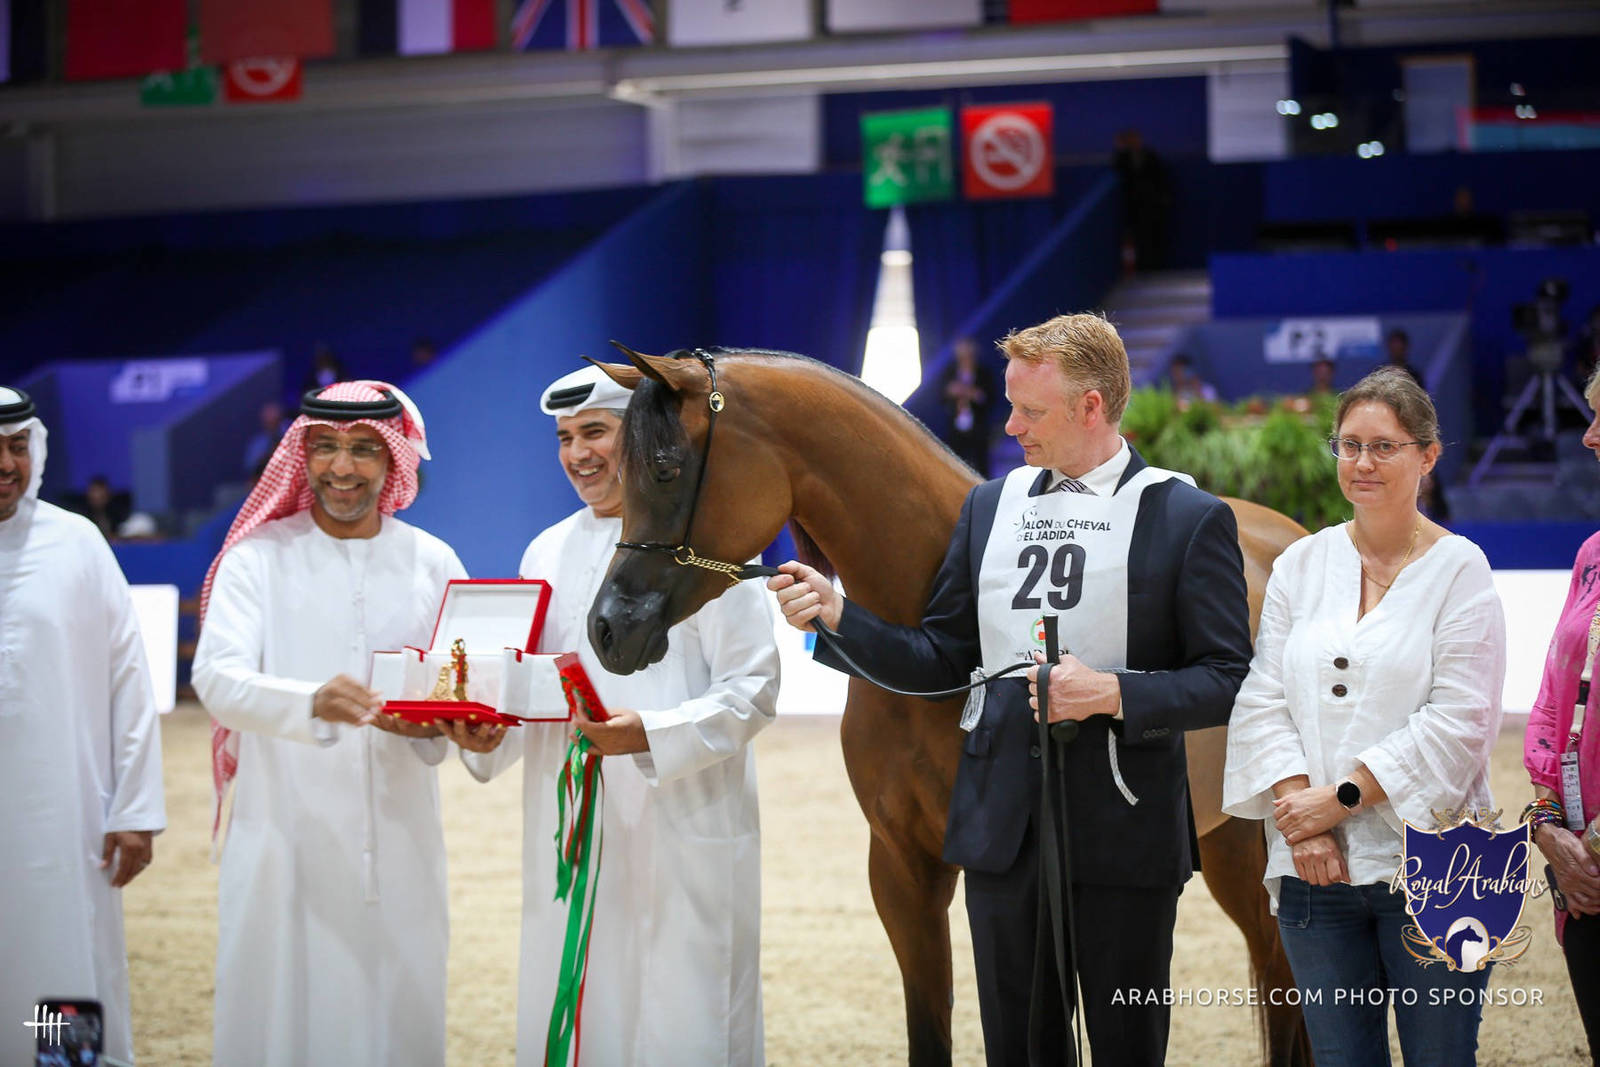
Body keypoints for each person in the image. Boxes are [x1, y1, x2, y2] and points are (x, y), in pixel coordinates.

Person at [769, 313, 1252, 1066]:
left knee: (1128, 1046)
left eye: (1030, 409)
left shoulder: (1186, 517)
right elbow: (939, 657)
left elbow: (1226, 679)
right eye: (1010, 403)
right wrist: (841, 620)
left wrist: (1114, 694)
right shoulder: (989, 508)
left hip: (1124, 830)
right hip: (1002, 831)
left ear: (1092, 407)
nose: (1010, 423)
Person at [449, 365, 779, 1066]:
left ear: (640, 433)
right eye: (565, 437)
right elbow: (534, 686)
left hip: (682, 815)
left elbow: (753, 688)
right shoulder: (546, 548)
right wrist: (488, 733)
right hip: (573, 824)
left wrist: (651, 736)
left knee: (681, 1006)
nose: (578, 453)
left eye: (594, 431)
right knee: (581, 1002)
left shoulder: (712, 538)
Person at [1223, 367, 1506, 1065]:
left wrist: (1339, 799)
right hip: (1314, 870)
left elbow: (1461, 723)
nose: (1363, 463)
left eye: (1384, 446)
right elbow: (1262, 696)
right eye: (1349, 445)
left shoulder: (1461, 570)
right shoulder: (1300, 565)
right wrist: (1300, 814)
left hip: (1441, 869)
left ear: (1428, 455)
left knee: (1441, 1056)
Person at [192, 380, 466, 1067]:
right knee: (281, 1016)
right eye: (325, 447)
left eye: (365, 450)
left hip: (401, 843)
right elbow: (217, 680)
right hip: (284, 839)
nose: (341, 467)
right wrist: (310, 700)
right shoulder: (257, 559)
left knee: (396, 1014)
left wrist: (460, 729)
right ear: (301, 453)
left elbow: (464, 688)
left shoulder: (432, 563)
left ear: (395, 461)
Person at [0, 386, 166, 1066]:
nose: (5, 463)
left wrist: (134, 807)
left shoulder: (76, 543)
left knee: (57, 960)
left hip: (61, 823)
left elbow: (130, 679)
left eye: (15, 446)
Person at [1523, 365, 1600, 1064]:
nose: (1589, 435)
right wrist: (1549, 826)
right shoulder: (1590, 556)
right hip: (1581, 868)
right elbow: (1553, 698)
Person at [1112, 129, 1172, 274]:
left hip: (1151, 205)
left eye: (1136, 138)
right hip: (1133, 206)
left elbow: (1160, 177)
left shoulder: (1150, 155)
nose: (1134, 142)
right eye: (1131, 139)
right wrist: (1120, 150)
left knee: (1154, 238)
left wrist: (1162, 199)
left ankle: (1155, 267)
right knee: (1137, 239)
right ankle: (1140, 268)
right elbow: (1115, 169)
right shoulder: (1123, 157)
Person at [939, 336, 996, 475]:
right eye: (961, 350)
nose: (965, 354)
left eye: (968, 351)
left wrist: (973, 393)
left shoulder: (984, 373)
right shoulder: (949, 373)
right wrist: (950, 392)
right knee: (954, 463)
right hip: (955, 426)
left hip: (978, 427)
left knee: (981, 464)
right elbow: (941, 396)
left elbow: (991, 397)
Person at [241, 400, 287, 477]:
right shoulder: (258, 443)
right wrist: (265, 458)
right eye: (269, 422)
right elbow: (250, 466)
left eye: (275, 420)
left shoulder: (290, 437)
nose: (271, 424)